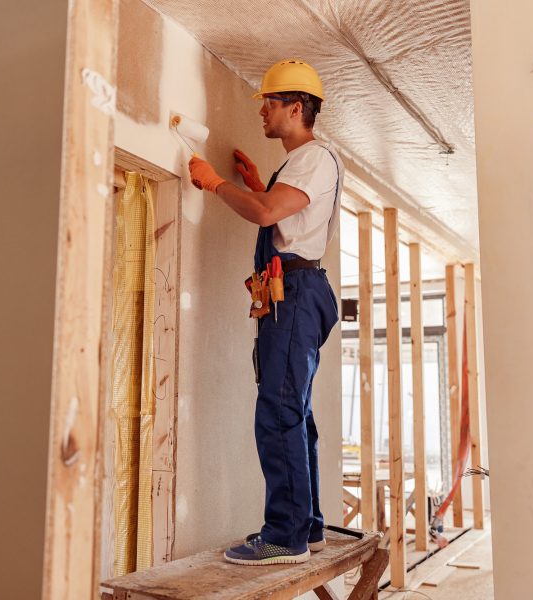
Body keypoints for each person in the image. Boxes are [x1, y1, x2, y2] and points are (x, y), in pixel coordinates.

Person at [188, 58, 344, 565]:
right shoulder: (302, 162)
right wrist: (258, 183)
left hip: (295, 292)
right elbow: (275, 208)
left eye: (270, 104)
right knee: (293, 412)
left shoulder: (313, 158)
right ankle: (309, 527)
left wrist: (214, 183)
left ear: (296, 108)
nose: (262, 112)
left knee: (278, 412)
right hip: (296, 291)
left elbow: (266, 213)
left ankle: (284, 536)